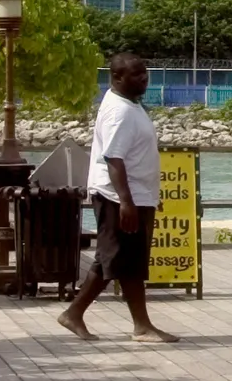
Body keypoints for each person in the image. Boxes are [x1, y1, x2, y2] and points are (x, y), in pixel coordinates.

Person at [58, 54, 177, 342]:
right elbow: (113, 158)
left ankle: (141, 324)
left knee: (129, 261)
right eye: (136, 74)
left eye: (145, 73)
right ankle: (75, 313)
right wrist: (126, 201)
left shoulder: (131, 105)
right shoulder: (119, 112)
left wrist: (148, 195)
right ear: (117, 78)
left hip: (137, 194)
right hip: (117, 196)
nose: (144, 78)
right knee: (111, 259)